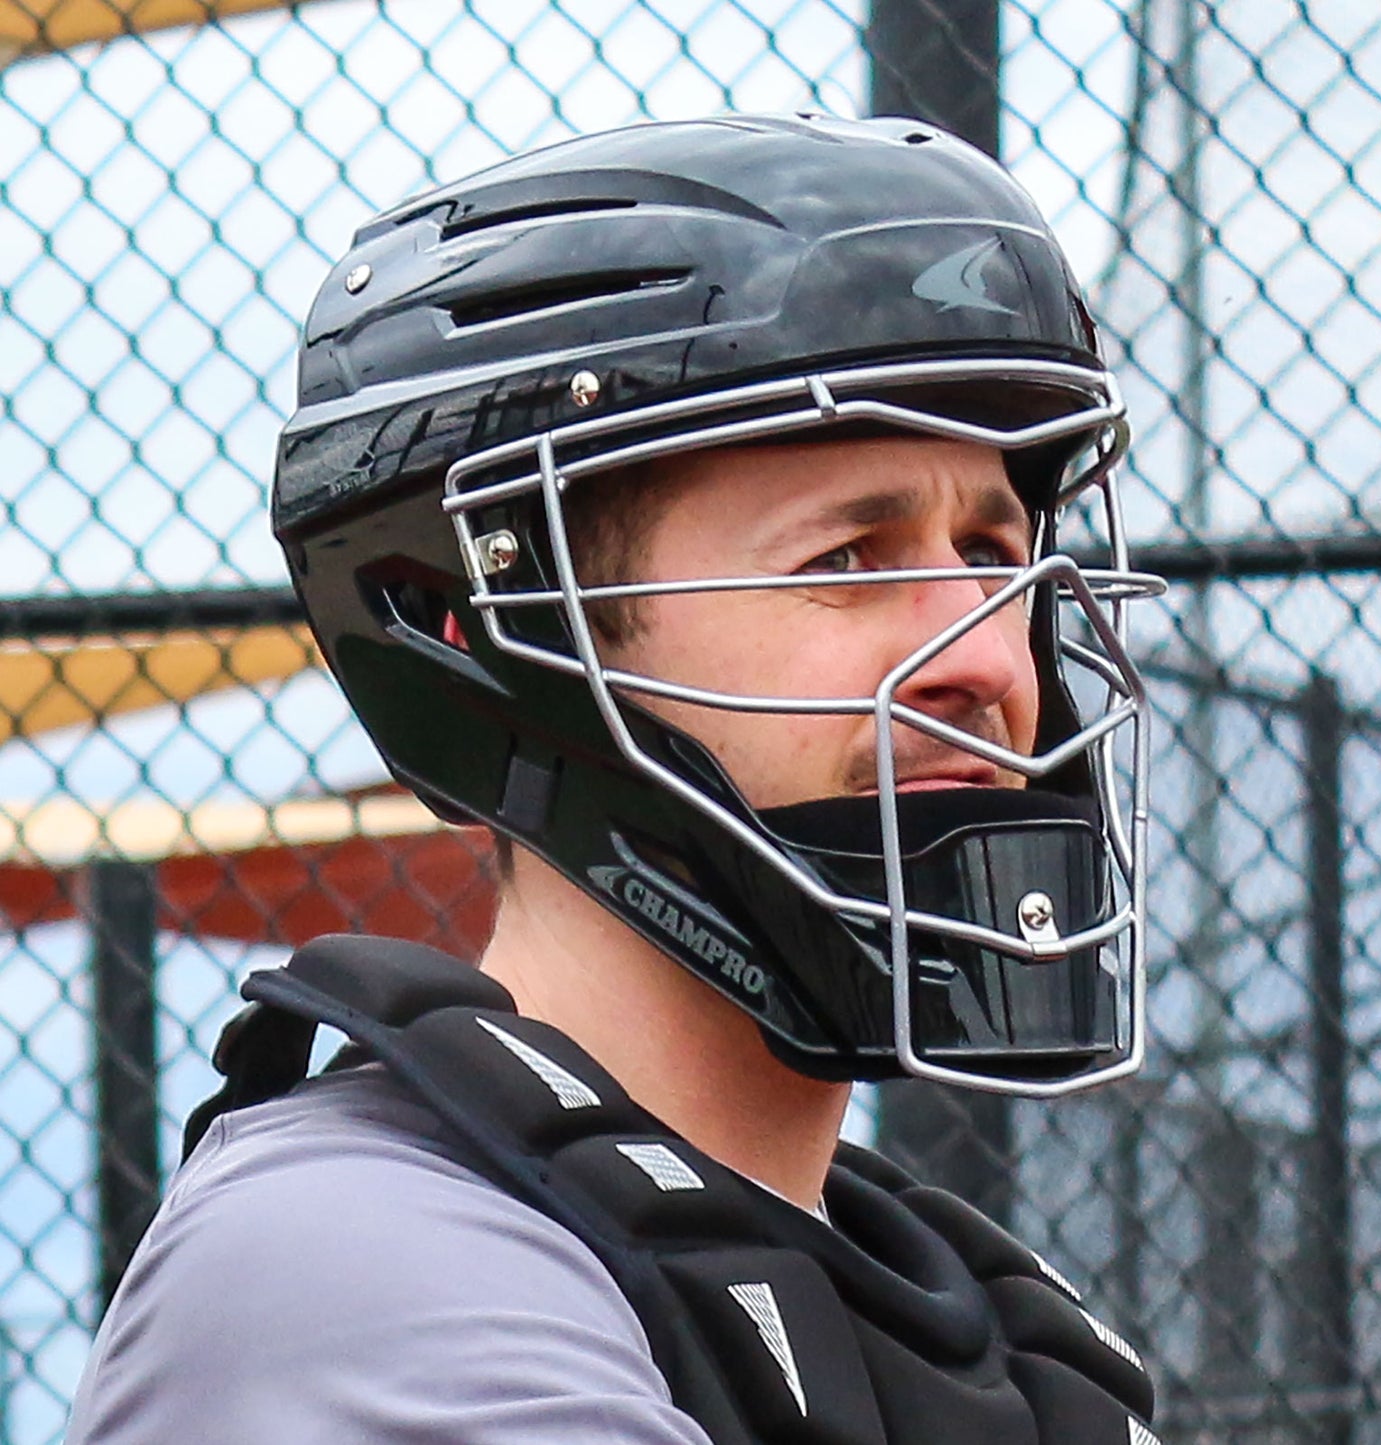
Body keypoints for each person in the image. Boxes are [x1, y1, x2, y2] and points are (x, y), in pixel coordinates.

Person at [66, 114, 1164, 1444]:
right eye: (845, 560)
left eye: (993, 556)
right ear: (503, 649)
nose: (987, 655)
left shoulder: (948, 1311)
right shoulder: (358, 1265)